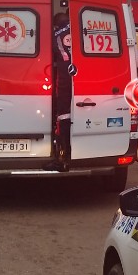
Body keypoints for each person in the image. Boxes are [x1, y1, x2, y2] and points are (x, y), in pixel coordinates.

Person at [52, 13, 76, 163]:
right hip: (79, 74)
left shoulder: (55, 35)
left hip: (64, 77)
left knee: (63, 114)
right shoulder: (77, 30)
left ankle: (63, 154)